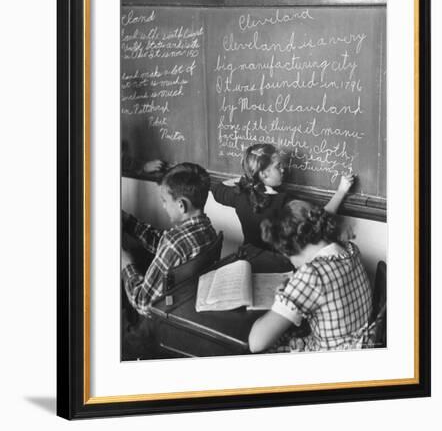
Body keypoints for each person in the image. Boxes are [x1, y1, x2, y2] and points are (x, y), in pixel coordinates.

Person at [248, 200, 372, 353]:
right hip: (358, 347)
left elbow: (256, 343)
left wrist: (280, 301)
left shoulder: (312, 275)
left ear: (289, 247)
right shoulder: (350, 250)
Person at [211, 143, 354, 249]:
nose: (283, 169)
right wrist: (341, 191)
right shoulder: (283, 202)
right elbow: (321, 218)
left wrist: (249, 177)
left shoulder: (240, 195)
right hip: (277, 266)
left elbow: (218, 188)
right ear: (263, 173)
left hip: (249, 262)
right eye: (278, 166)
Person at [121, 162, 218, 316]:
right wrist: (129, 221)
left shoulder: (174, 244)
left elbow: (142, 303)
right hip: (187, 303)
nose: (164, 206)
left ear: (181, 205)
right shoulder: (208, 229)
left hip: (165, 317)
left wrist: (126, 264)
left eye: (165, 201)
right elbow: (163, 242)